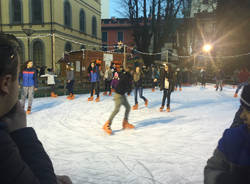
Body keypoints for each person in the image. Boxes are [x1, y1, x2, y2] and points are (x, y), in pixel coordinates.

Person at [0, 33, 73, 184]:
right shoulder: (3, 146)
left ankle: (30, 106)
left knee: (30, 97)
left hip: (30, 86)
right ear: (6, 83)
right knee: (25, 96)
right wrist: (22, 133)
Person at [204, 84, 250, 184]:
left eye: (248, 110)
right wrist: (221, 179)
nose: (242, 115)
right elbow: (212, 169)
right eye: (242, 108)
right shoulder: (233, 138)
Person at [103, 66, 134, 135]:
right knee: (116, 109)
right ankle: (107, 124)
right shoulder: (127, 76)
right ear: (130, 71)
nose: (133, 72)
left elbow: (128, 85)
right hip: (118, 94)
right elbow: (127, 84)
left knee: (128, 107)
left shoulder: (127, 75)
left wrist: (129, 90)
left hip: (122, 94)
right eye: (132, 71)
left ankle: (125, 122)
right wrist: (129, 90)